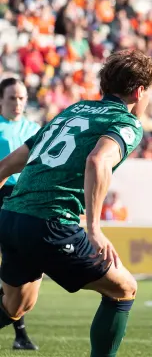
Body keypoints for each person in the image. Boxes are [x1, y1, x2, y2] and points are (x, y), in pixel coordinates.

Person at [0, 50, 152, 356]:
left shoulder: (73, 111)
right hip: (50, 223)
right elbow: (98, 161)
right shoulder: (125, 122)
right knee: (123, 289)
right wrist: (94, 229)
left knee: (17, 304)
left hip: (11, 217)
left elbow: (8, 165)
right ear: (140, 91)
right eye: (150, 92)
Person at [0, 77, 40, 350]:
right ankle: (20, 334)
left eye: (22, 98)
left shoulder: (34, 128)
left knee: (17, 267)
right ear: (1, 100)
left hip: (24, 199)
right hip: (1, 193)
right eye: (12, 98)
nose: (18, 103)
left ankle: (21, 334)